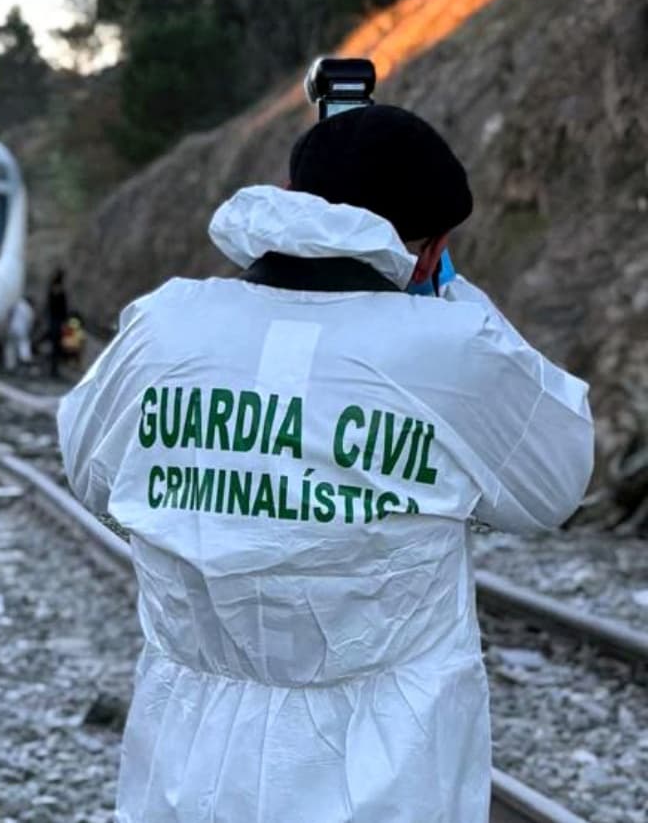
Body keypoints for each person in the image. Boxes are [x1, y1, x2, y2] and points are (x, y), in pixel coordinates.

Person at [57, 105, 593, 823]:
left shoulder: (163, 327)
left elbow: (90, 472)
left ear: (291, 198)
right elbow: (555, 481)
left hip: (186, 770)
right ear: (431, 251)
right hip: (386, 778)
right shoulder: (453, 349)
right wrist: (454, 298)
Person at [46, 268, 68, 378]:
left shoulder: (51, 290)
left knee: (54, 346)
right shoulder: (61, 292)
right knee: (56, 347)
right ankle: (54, 370)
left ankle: (52, 369)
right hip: (58, 322)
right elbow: (64, 309)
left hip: (52, 321)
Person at [4, 296, 34, 372]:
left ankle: (10, 366)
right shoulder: (29, 310)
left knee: (10, 347)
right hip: (22, 330)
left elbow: (9, 313)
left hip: (12, 328)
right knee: (23, 345)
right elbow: (30, 323)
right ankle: (25, 360)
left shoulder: (17, 304)